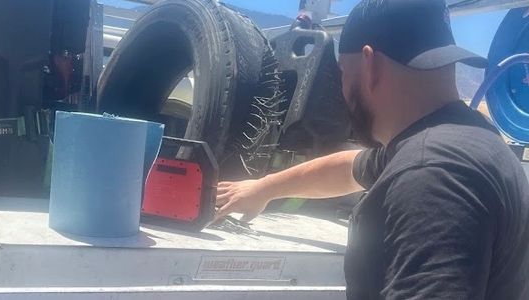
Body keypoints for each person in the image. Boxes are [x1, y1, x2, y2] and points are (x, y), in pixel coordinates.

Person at [215, 0, 529, 299]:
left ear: (370, 64)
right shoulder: (468, 140)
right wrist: (264, 189)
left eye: (342, 73)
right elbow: (349, 167)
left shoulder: (431, 177)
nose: (341, 88)